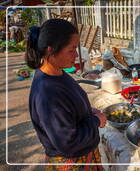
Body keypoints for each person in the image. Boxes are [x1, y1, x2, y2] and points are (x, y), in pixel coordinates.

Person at [25, 19, 107, 170]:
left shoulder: (58, 73)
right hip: (73, 163)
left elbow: (68, 109)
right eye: (71, 50)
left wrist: (88, 112)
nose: (76, 55)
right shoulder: (47, 93)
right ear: (51, 51)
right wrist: (95, 121)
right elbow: (68, 142)